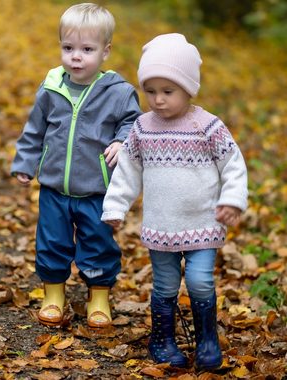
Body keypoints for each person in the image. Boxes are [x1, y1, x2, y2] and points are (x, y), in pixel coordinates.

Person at [101, 33, 248, 370]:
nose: (158, 100)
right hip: (162, 225)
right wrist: (115, 206)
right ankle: (163, 340)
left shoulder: (207, 126)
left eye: (168, 91)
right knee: (165, 284)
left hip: (202, 224)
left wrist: (233, 200)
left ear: (188, 89)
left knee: (199, 281)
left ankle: (207, 339)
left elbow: (233, 164)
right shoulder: (141, 128)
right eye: (150, 91)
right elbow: (128, 171)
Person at [11, 3, 141, 329]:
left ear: (105, 51)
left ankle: (98, 295)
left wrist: (122, 141)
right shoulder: (52, 88)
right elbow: (35, 130)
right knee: (52, 240)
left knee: (98, 242)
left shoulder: (119, 93)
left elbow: (133, 124)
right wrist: (26, 162)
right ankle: (54, 293)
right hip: (55, 187)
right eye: (68, 48)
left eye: (86, 49)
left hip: (97, 189)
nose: (76, 57)